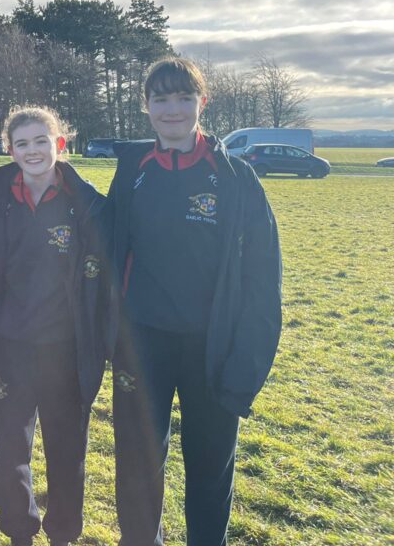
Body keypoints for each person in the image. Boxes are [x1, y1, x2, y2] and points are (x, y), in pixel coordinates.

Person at [105, 57, 282, 546]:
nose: (172, 109)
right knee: (138, 463)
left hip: (215, 349)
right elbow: (102, 243)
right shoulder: (133, 170)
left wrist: (247, 365)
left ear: (203, 102)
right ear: (145, 106)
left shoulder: (236, 177)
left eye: (184, 97)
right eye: (160, 99)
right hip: (143, 345)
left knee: (209, 467)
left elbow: (263, 279)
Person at [0, 106, 111, 546]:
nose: (32, 151)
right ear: (9, 149)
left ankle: (63, 534)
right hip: (10, 344)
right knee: (11, 447)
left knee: (66, 449)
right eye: (22, 143)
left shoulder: (88, 204)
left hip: (66, 348)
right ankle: (19, 530)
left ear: (60, 144)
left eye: (41, 141)